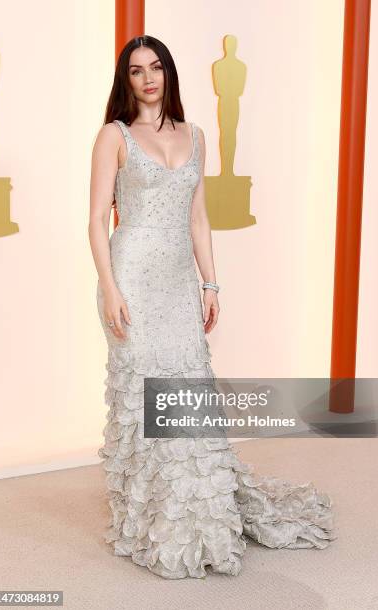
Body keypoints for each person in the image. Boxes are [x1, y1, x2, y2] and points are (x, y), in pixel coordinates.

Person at [88, 35, 336, 580]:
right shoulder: (113, 136)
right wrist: (109, 288)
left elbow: (198, 218)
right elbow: (96, 222)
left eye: (155, 68)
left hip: (179, 280)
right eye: (136, 71)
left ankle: (197, 517)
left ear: (169, 74)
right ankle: (152, 520)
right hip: (131, 275)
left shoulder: (196, 135)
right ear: (125, 81)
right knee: (144, 396)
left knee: (187, 389)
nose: (148, 78)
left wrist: (211, 284)